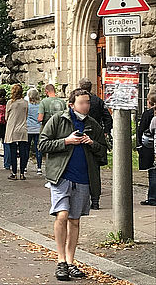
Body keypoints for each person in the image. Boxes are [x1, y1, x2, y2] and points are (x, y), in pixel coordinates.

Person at [39, 88, 107, 281]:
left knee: (75, 220)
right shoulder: (58, 120)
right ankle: (60, 260)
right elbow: (42, 144)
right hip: (61, 176)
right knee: (62, 215)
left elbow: (103, 153)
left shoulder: (93, 124)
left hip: (84, 178)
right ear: (72, 104)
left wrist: (91, 143)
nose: (86, 106)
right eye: (82, 102)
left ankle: (70, 261)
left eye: (88, 102)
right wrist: (66, 141)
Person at [78, 78, 111, 209]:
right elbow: (107, 117)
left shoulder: (78, 100)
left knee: (83, 168)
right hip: (95, 136)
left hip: (82, 136)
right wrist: (105, 132)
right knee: (94, 170)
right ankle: (95, 201)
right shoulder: (97, 100)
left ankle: (83, 199)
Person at [5, 84, 29, 180]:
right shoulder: (25, 103)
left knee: (13, 152)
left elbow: (6, 117)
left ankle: (14, 173)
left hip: (12, 129)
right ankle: (22, 173)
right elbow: (26, 115)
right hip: (22, 129)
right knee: (23, 152)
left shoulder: (10, 103)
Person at [136, 92, 156, 206]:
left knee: (153, 172)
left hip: (150, 147)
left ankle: (152, 197)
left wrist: (139, 145)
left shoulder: (148, 114)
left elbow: (141, 130)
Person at [27, 88, 42, 174]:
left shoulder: (27, 106)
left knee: (26, 148)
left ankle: (24, 167)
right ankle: (39, 168)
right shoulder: (41, 106)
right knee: (38, 148)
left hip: (29, 128)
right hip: (38, 128)